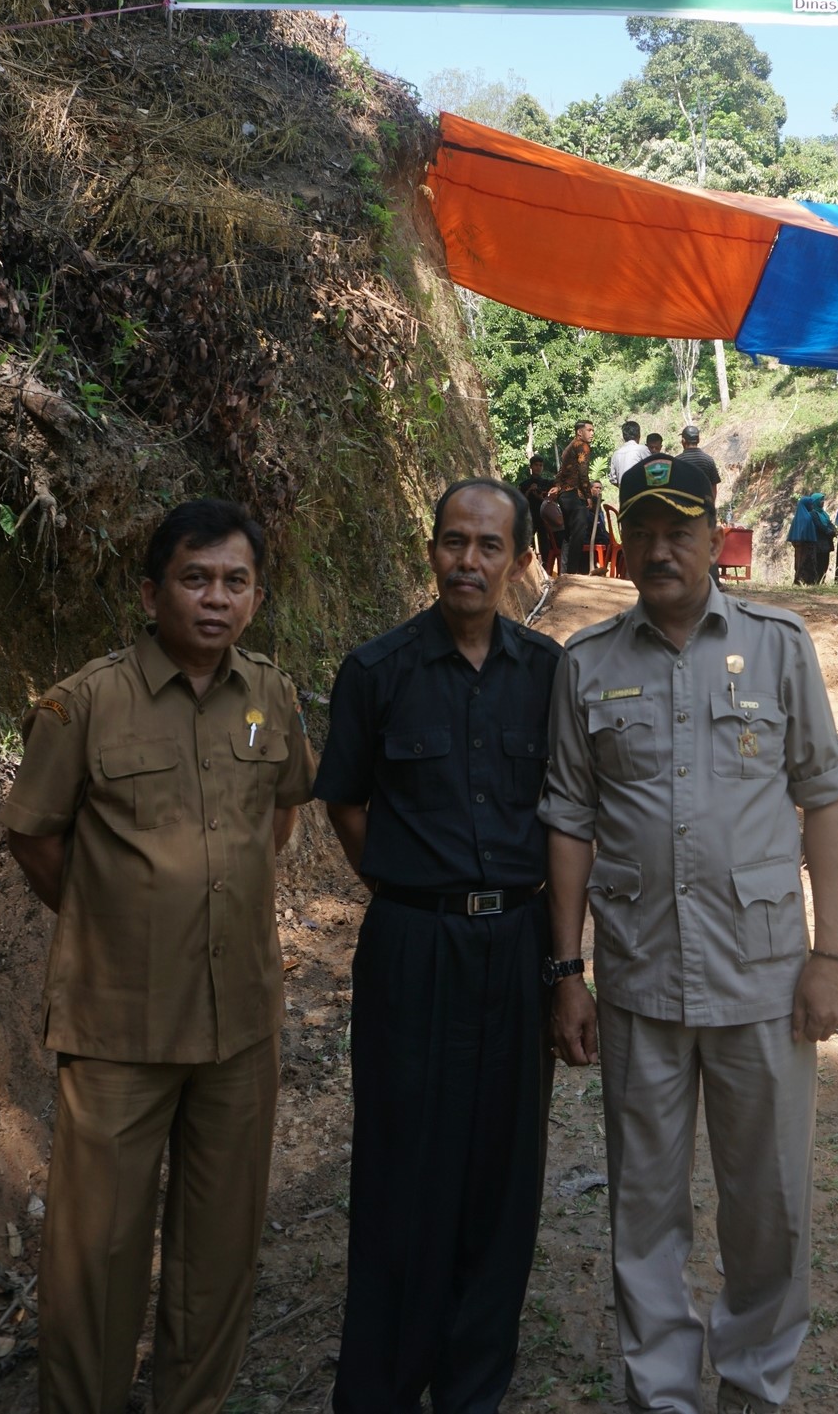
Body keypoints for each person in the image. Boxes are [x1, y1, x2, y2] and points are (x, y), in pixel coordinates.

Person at [539, 454, 838, 1414]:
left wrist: (830, 954)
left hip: (763, 978)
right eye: (645, 531)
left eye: (681, 530)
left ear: (713, 537)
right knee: (646, 1212)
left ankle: (754, 1391)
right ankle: (663, 1397)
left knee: (769, 1210)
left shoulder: (778, 645)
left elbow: (822, 797)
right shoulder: (586, 664)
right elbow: (568, 821)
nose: (661, 548)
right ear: (623, 542)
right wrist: (568, 970)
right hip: (639, 979)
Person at [1, 500, 313, 1414]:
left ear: (255, 595)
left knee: (218, 1254)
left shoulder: (273, 695)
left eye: (234, 581)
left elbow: (282, 813)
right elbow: (35, 838)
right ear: (152, 590)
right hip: (117, 1027)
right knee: (96, 1255)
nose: (215, 598)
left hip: (240, 1026)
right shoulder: (85, 702)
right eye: (194, 577)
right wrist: (114, 920)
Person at [316, 479, 562, 1414]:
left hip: (517, 939)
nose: (469, 560)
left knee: (503, 1170)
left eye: (488, 545)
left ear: (515, 559)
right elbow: (345, 796)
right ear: (432, 551)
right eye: (454, 541)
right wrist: (400, 883)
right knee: (399, 1158)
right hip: (411, 942)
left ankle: (472, 1385)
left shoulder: (546, 673)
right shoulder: (376, 670)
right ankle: (381, 1382)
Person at [552, 417, 595, 574]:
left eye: (593, 430)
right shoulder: (582, 446)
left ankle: (565, 573)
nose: (592, 434)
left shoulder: (568, 448)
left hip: (564, 495)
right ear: (579, 432)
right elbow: (583, 474)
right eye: (589, 430)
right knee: (578, 533)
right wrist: (588, 496)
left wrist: (557, 488)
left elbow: (560, 474)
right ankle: (572, 573)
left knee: (569, 535)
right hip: (573, 495)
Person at [787, 492, 835, 585]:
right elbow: (817, 526)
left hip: (804, 544)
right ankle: (804, 580)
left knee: (803, 562)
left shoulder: (802, 516)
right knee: (805, 562)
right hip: (808, 544)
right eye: (810, 504)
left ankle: (804, 580)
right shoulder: (808, 516)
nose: (812, 505)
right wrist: (828, 531)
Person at [677, 422, 722, 500]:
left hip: (684, 508)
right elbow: (713, 487)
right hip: (704, 507)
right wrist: (711, 507)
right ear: (698, 440)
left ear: (683, 441)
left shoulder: (677, 462)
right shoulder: (708, 460)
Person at [609, 420, 651, 489]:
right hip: (640, 494)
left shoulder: (616, 454)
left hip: (624, 496)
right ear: (639, 435)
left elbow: (613, 479)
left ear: (624, 436)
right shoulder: (642, 449)